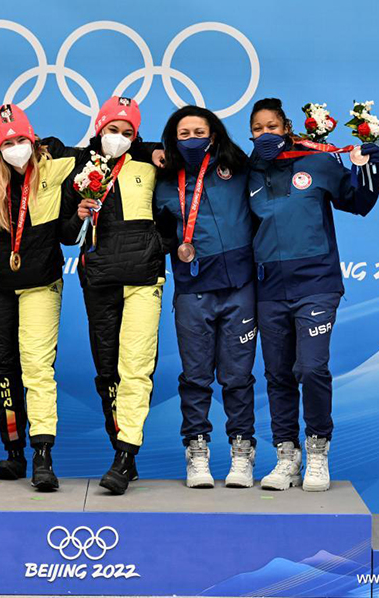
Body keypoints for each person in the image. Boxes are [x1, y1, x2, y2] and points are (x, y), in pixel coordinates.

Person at [248, 98, 379, 491]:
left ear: (287, 127)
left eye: (272, 126)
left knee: (310, 369)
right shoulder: (247, 172)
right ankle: (286, 457)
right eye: (257, 129)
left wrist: (369, 165)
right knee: (277, 374)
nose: (265, 134)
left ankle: (318, 451)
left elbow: (358, 202)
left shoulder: (318, 161)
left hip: (316, 285)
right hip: (269, 289)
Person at [62, 96, 166, 495]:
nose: (118, 138)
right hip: (99, 279)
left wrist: (158, 246)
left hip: (143, 279)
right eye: (112, 130)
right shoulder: (79, 166)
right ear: (99, 129)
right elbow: (65, 234)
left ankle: (124, 456)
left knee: (135, 368)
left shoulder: (150, 162)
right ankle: (122, 451)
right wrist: (78, 216)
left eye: (127, 132)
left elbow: (172, 210)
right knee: (107, 373)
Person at [154, 105, 257, 489]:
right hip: (193, 289)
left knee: (237, 377)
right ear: (173, 139)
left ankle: (242, 451)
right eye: (184, 134)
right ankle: (197, 451)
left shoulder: (239, 168)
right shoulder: (164, 180)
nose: (192, 139)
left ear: (213, 135)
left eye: (199, 132)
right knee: (195, 377)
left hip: (239, 288)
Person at [0, 104, 78, 491]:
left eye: (22, 139)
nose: (16, 148)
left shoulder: (57, 166)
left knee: (37, 368)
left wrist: (151, 148)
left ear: (34, 140)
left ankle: (42, 455)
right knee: (0, 369)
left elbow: (105, 149)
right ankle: (14, 450)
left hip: (41, 283)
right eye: (8, 143)